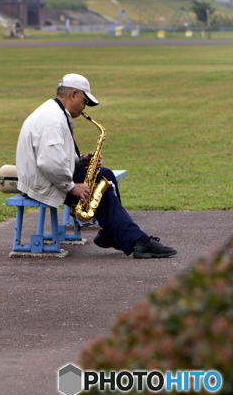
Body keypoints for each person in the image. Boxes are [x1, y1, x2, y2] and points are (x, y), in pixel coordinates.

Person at [15, 74, 176, 259]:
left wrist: (81, 160)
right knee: (103, 196)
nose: (85, 107)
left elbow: (54, 157)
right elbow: (49, 163)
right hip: (43, 183)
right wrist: (71, 187)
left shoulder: (53, 112)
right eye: (85, 101)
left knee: (105, 175)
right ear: (73, 94)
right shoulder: (52, 120)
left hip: (44, 177)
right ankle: (139, 242)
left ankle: (111, 234)